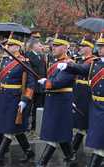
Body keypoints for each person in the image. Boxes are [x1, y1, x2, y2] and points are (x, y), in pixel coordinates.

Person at [57, 34, 104, 167]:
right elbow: (82, 69)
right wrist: (68, 65)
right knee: (98, 141)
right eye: (99, 46)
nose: (99, 49)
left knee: (99, 142)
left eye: (102, 47)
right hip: (96, 105)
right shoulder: (96, 63)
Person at [0, 38, 35, 166]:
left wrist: (25, 100)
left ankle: (0, 157)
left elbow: (31, 83)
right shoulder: (3, 60)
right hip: (3, 97)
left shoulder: (24, 62)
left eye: (10, 45)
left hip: (15, 98)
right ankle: (29, 151)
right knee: (9, 128)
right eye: (7, 45)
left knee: (9, 128)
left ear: (18, 47)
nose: (7, 46)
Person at [36, 34, 77, 167]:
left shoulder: (69, 64)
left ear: (65, 48)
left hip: (62, 101)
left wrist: (45, 82)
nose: (53, 47)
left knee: (54, 132)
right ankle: (71, 157)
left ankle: (42, 163)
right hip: (53, 100)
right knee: (60, 132)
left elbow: (58, 83)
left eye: (57, 45)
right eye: (53, 45)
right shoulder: (54, 62)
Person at [71, 35, 96, 157]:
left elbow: (83, 70)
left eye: (83, 46)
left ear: (90, 48)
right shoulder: (80, 59)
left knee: (86, 124)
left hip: (87, 95)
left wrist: (71, 64)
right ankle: (73, 151)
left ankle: (73, 151)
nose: (80, 48)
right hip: (79, 94)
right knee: (82, 124)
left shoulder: (92, 61)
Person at [25, 38, 46, 131]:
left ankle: (35, 125)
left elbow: (44, 70)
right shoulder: (28, 55)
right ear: (33, 46)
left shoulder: (41, 56)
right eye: (39, 45)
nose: (41, 47)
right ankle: (25, 125)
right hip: (32, 85)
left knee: (38, 106)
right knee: (28, 106)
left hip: (40, 85)